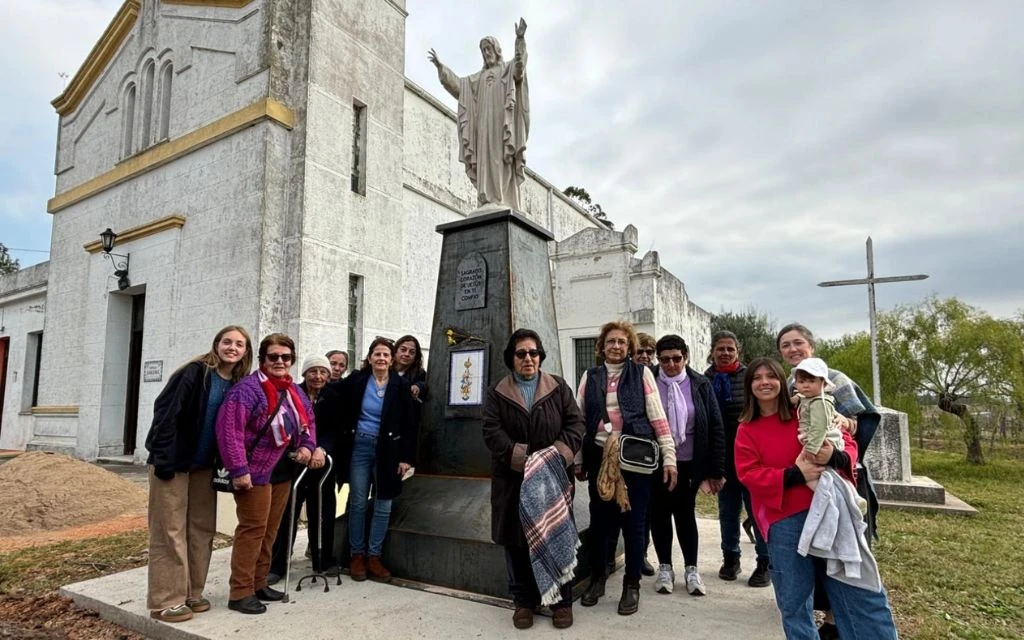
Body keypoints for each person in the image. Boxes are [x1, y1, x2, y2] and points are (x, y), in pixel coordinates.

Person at [734, 358, 898, 640]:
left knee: (857, 590)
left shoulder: (808, 408)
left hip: (831, 514)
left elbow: (845, 441)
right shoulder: (747, 430)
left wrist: (835, 457)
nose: (764, 382)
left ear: (782, 381)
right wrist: (794, 475)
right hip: (783, 520)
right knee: (794, 601)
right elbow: (748, 474)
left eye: (770, 376)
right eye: (756, 378)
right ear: (749, 387)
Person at [777, 322, 883, 639]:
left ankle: (839, 617)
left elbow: (861, 419)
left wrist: (841, 437)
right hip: (803, 477)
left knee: (842, 545)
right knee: (813, 547)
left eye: (798, 343)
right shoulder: (787, 384)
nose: (792, 349)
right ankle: (823, 613)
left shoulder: (833, 380)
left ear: (811, 345)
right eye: (785, 345)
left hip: (837, 470)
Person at [145, 326, 252, 622]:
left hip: (205, 467)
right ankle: (166, 600)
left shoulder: (238, 383)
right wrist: (163, 458)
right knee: (170, 530)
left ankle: (192, 592)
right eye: (227, 342)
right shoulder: (193, 373)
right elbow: (164, 413)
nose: (232, 347)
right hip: (174, 463)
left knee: (201, 530)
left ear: (246, 351)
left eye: (239, 344)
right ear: (216, 344)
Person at [482, 329, 584, 629]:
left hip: (552, 477)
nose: (528, 358)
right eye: (521, 353)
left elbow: (575, 423)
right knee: (516, 541)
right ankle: (523, 601)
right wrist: (522, 459)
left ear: (540, 356)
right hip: (513, 479)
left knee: (557, 534)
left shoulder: (558, 387)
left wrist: (554, 456)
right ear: (511, 358)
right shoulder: (496, 392)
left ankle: (560, 601)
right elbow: (491, 431)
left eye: (533, 353)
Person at [575, 320, 678, 616]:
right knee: (600, 524)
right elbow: (580, 419)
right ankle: (597, 579)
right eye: (611, 341)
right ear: (602, 346)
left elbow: (658, 418)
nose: (616, 346)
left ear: (629, 346)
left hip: (635, 461)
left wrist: (669, 457)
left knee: (634, 525)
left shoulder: (642, 373)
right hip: (599, 459)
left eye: (622, 342)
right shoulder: (590, 376)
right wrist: (580, 459)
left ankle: (631, 584)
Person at [215, 333, 320, 615]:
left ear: (292, 360)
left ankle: (258, 582)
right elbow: (229, 432)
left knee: (270, 530)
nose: (279, 361)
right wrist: (238, 469)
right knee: (252, 531)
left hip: (283, 471)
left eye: (285, 357)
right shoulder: (247, 390)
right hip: (254, 473)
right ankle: (240, 591)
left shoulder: (294, 391)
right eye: (273, 357)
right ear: (262, 359)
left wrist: (308, 447)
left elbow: (307, 422)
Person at [650, 334, 725, 597]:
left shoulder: (700, 384)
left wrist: (716, 469)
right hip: (657, 463)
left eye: (676, 358)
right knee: (659, 515)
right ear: (657, 360)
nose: (671, 364)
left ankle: (691, 569)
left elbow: (715, 426)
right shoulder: (647, 380)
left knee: (685, 515)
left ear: (686, 357)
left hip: (690, 462)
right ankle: (665, 567)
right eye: (665, 359)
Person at [428, 19, 529, 209]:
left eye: (489, 49)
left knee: (500, 159)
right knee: (485, 160)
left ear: (496, 50)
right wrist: (442, 69)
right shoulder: (478, 79)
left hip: (501, 126)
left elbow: (519, 68)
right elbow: (459, 87)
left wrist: (520, 40)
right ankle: (486, 199)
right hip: (483, 129)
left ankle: (501, 198)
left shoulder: (506, 70)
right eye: (483, 51)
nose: (486, 53)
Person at [338, 337, 416, 582]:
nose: (381, 358)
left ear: (391, 360)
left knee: (383, 505)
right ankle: (357, 555)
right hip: (359, 447)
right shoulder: (357, 381)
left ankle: (374, 556)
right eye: (377, 354)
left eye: (386, 355)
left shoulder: (400, 386)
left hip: (388, 451)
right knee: (358, 503)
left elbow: (410, 424)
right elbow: (334, 395)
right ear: (370, 358)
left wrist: (406, 458)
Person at [704, 330, 771, 588]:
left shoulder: (749, 377)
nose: (725, 353)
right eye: (720, 348)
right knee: (727, 512)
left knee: (757, 512)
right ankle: (730, 558)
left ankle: (765, 562)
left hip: (752, 457)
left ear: (738, 351)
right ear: (712, 351)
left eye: (730, 349)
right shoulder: (705, 379)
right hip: (722, 459)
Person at [268, 355, 343, 583]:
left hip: (322, 463)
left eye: (322, 372)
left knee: (322, 511)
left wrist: (322, 449)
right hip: (295, 461)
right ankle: (278, 564)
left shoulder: (334, 398)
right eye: (313, 371)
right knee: (288, 511)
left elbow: (336, 429)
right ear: (304, 374)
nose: (318, 376)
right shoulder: (293, 393)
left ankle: (323, 560)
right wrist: (302, 449)